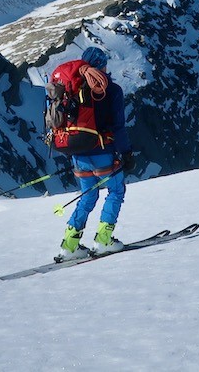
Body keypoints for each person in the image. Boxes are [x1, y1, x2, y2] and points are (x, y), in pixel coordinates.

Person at [55, 46, 136, 260]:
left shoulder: (72, 89)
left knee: (88, 195)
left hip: (78, 154)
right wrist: (126, 153)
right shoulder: (111, 90)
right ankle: (103, 240)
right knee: (116, 191)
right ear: (101, 65)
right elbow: (118, 126)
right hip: (103, 151)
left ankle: (70, 245)